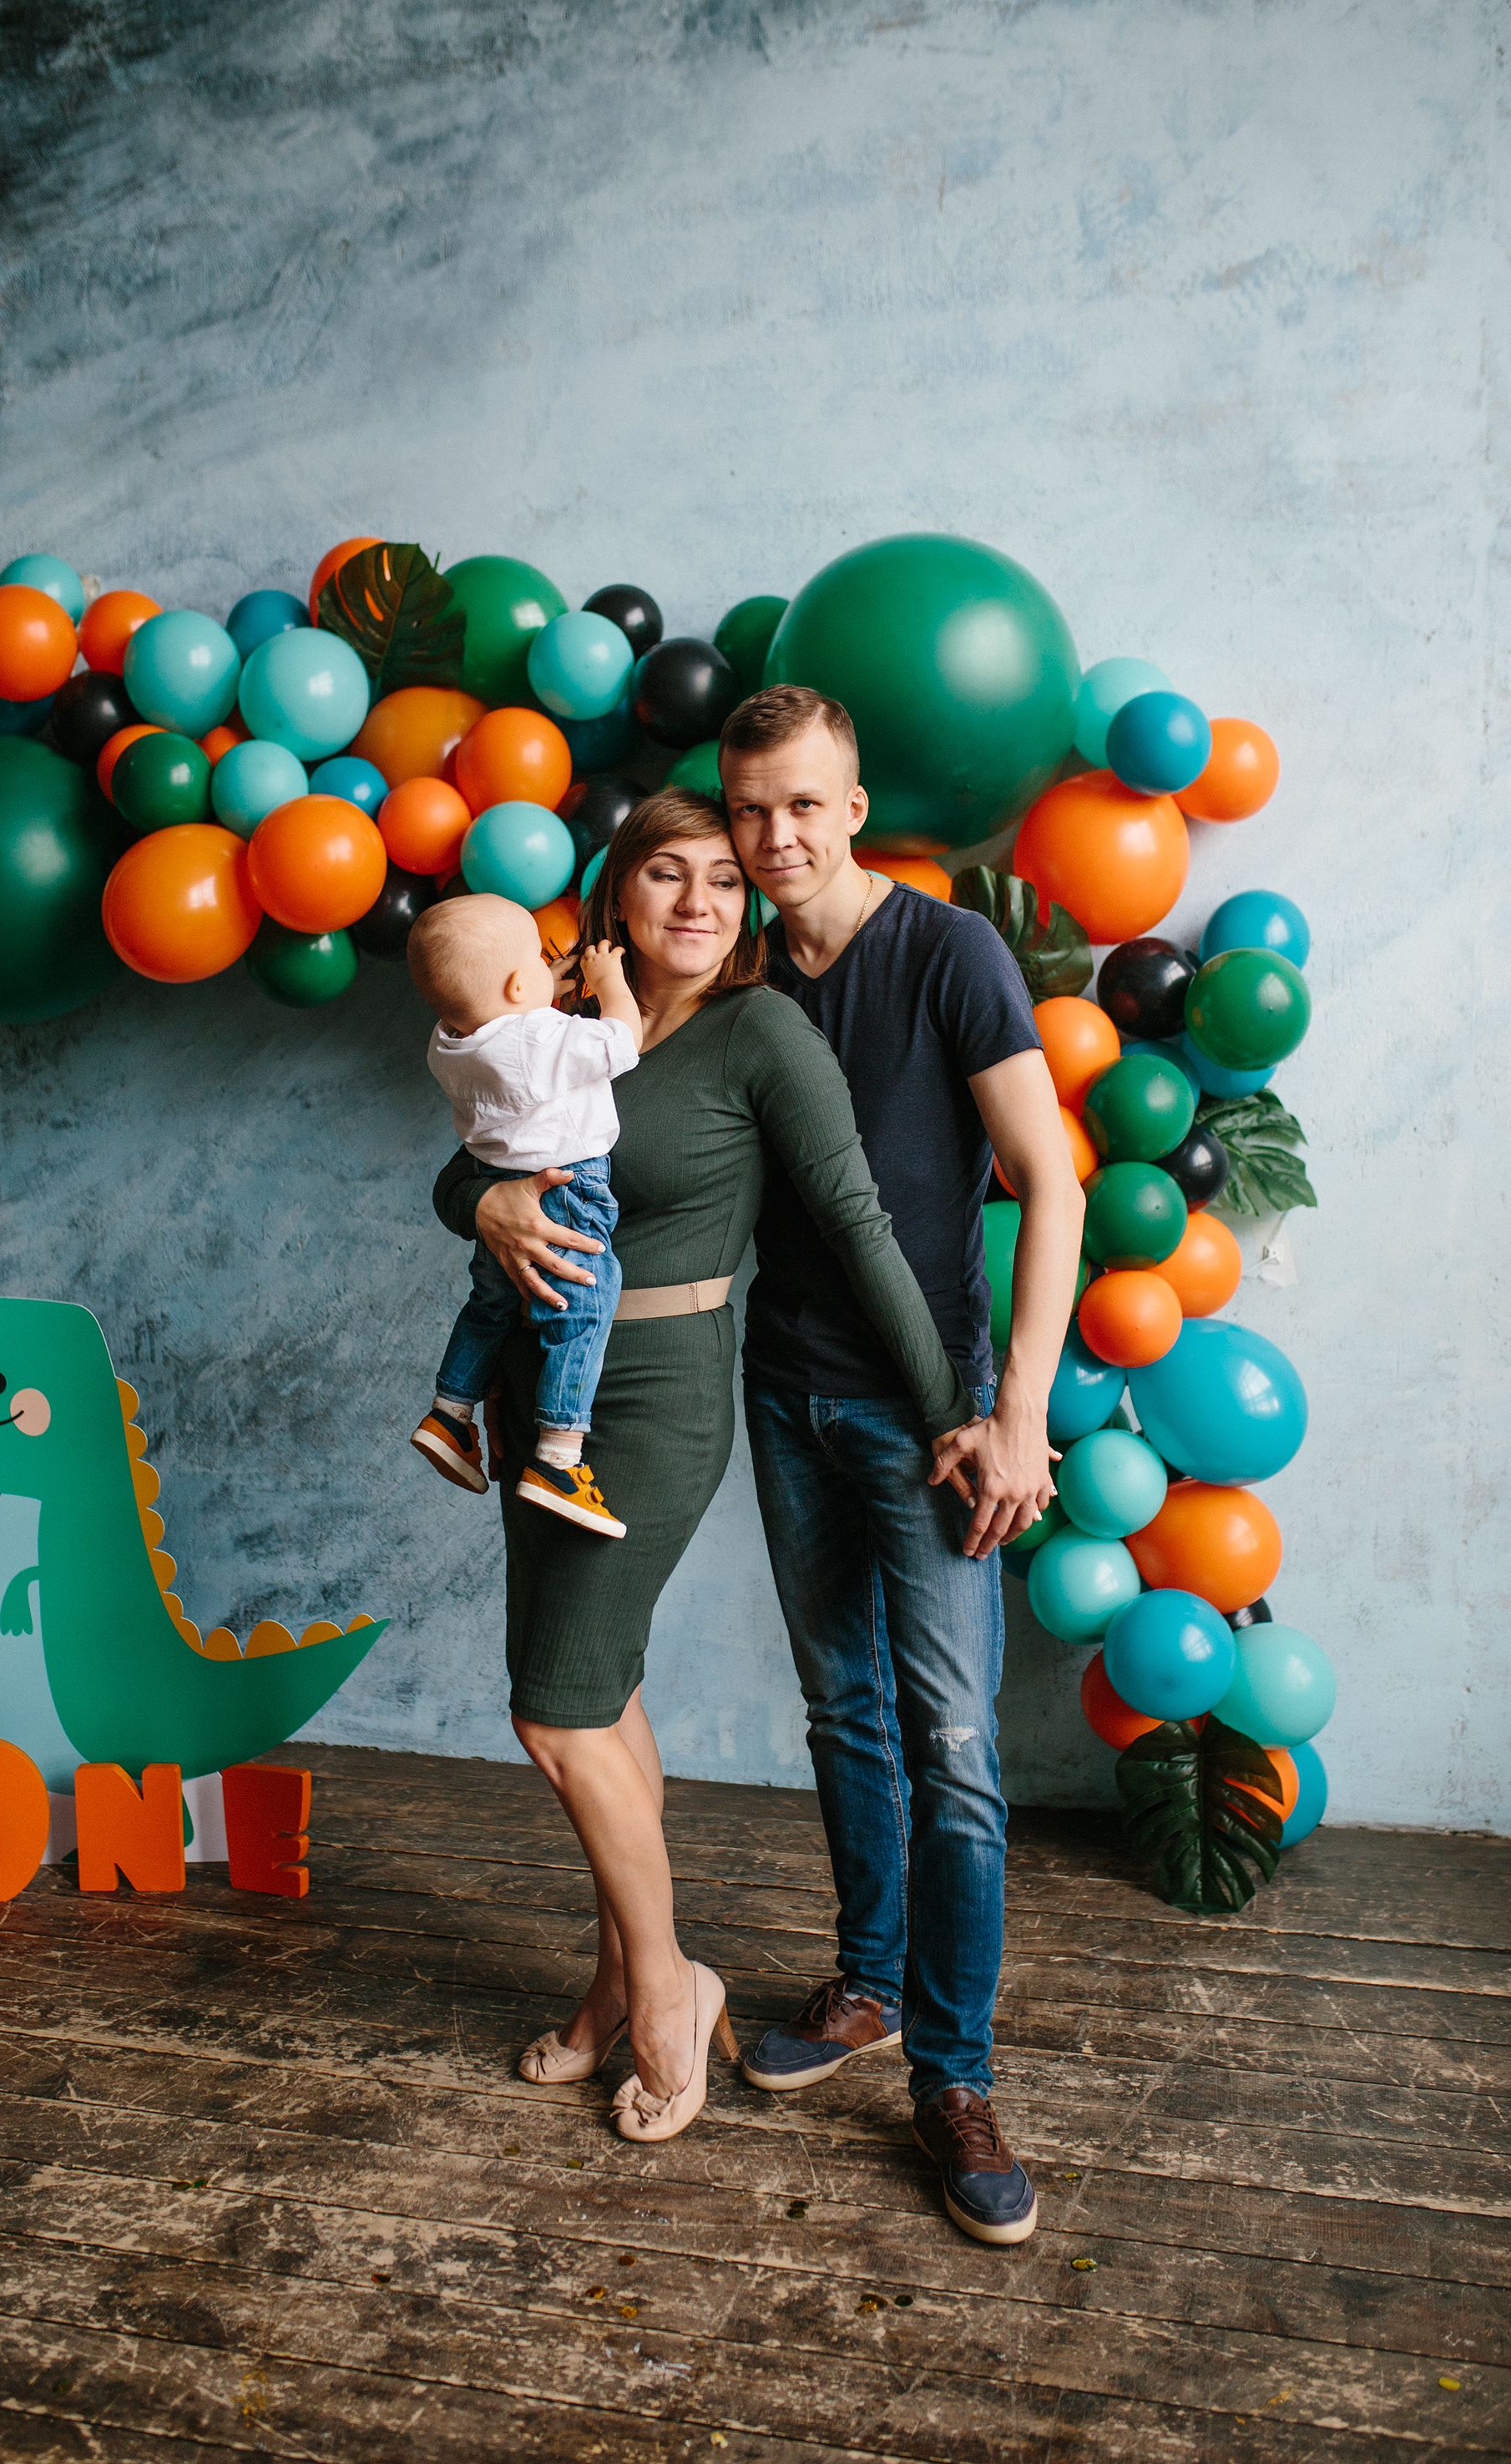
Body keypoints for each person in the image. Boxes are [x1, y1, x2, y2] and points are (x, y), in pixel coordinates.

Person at [431, 788, 970, 2147]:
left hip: (656, 1402)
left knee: (558, 1715)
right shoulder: (562, 1012)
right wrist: (488, 1202)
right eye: (668, 873)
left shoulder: (761, 1033)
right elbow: (468, 1165)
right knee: (600, 1696)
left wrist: (953, 1412)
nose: (699, 902)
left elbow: (855, 1222)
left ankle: (671, 1990)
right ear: (619, 890)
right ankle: (615, 1981)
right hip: (538, 1394)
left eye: (725, 880)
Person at [718, 682, 1086, 2249]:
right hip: (784, 1398)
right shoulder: (735, 973)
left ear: (854, 809)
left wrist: (1018, 1414)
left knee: (955, 1747)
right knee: (843, 1710)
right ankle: (867, 1982)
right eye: (751, 809)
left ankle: (956, 2075)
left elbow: (1052, 1182)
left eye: (804, 803)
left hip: (932, 1418)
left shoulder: (950, 953)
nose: (777, 835)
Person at [407, 892, 640, 1537]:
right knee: (583, 1305)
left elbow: (509, 1024)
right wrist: (608, 982)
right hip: (567, 1188)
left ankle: (450, 1412)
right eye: (540, 959)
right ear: (517, 984)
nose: (550, 968)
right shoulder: (541, 1038)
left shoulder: (449, 1042)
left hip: (497, 1183)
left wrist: (542, 988)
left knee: (490, 1304)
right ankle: (560, 1457)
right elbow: (622, 1040)